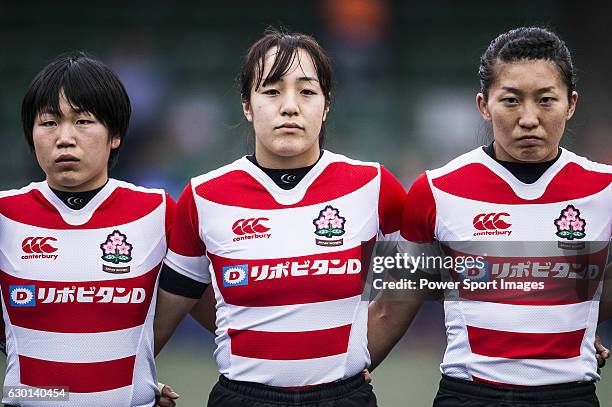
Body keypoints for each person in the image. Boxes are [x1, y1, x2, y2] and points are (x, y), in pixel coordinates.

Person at [153, 29, 406, 406]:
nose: (290, 106)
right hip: (242, 397)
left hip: (344, 396)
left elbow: (417, 281)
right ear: (246, 105)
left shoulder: (373, 184)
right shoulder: (203, 195)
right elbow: (176, 302)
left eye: (306, 92)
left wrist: (364, 356)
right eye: (272, 91)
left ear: (327, 105)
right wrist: (135, 380)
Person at [369, 27, 611, 406]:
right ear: (484, 105)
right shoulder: (435, 190)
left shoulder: (605, 189)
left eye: (546, 100)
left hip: (572, 396)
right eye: (511, 100)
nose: (529, 118)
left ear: (571, 103)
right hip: (470, 395)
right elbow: (392, 305)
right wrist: (333, 380)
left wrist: (581, 325)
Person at [0, 53, 177, 407]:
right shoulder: (5, 213)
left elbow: (224, 315)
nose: (65, 137)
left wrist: (138, 382)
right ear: (30, 134)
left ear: (115, 135)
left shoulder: (158, 211)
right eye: (49, 123)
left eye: (83, 121)